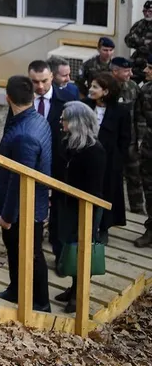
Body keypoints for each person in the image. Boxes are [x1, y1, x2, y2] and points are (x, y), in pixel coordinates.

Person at [0, 75, 52, 313]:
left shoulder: (25, 134)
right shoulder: (37, 120)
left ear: (8, 98)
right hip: (27, 204)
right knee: (15, 249)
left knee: (32, 253)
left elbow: (19, 180)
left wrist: (7, 216)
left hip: (23, 209)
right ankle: (15, 289)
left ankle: (41, 303)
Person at [7, 61, 66, 270]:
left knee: (59, 216)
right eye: (35, 82)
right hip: (30, 165)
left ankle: (60, 256)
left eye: (44, 81)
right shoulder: (20, 102)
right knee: (34, 217)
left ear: (52, 77)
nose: (40, 87)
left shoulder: (66, 100)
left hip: (58, 168)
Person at [54, 102, 107, 313]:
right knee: (70, 245)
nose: (61, 122)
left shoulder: (95, 150)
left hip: (86, 209)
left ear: (76, 122)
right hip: (68, 205)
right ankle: (73, 286)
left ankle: (78, 293)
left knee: (82, 249)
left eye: (64, 118)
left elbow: (93, 188)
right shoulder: (69, 143)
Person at [84, 73, 131, 243]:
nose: (91, 89)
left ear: (106, 91)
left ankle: (103, 228)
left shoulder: (121, 112)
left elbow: (125, 139)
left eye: (95, 87)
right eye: (91, 86)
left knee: (107, 193)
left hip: (110, 162)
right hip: (87, 160)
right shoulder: (85, 106)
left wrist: (118, 161)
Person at [111, 56, 144, 214]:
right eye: (126, 71)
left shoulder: (133, 88)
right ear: (115, 71)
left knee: (134, 176)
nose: (130, 74)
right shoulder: (105, 85)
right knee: (112, 177)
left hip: (130, 141)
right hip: (111, 141)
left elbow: (140, 115)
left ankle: (137, 209)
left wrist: (140, 138)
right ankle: (113, 210)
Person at [133, 58, 152, 247]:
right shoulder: (145, 90)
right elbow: (137, 117)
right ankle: (150, 229)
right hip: (149, 147)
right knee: (149, 188)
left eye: (150, 68)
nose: (145, 70)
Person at [125, 0, 152, 83]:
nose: (147, 14)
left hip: (150, 65)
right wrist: (143, 42)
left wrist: (138, 41)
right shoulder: (139, 24)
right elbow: (128, 40)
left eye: (150, 11)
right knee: (130, 85)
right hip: (137, 62)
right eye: (145, 11)